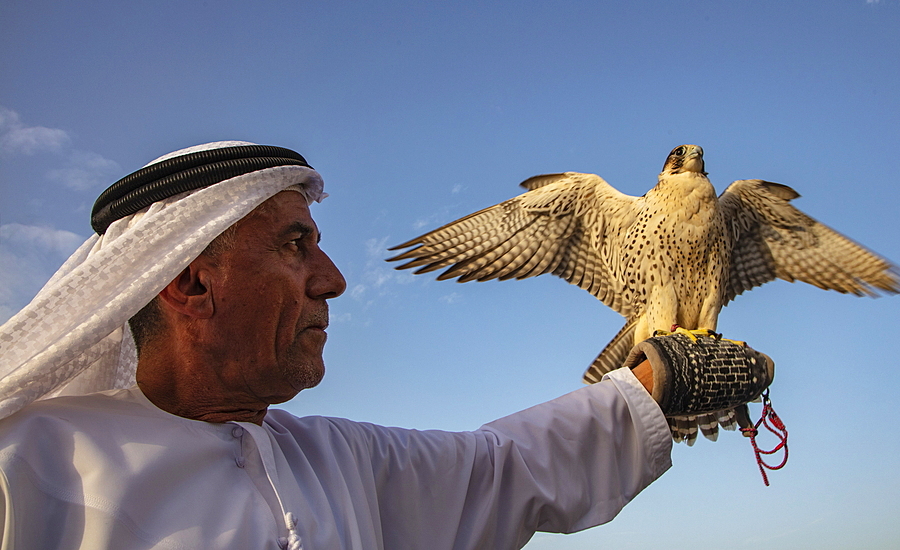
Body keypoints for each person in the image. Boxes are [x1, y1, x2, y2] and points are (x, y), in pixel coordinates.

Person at [0, 141, 773, 550]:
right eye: (296, 245)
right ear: (191, 284)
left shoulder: (342, 463)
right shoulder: (25, 472)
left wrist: (653, 379)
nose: (333, 280)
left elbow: (507, 466)